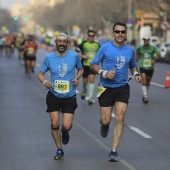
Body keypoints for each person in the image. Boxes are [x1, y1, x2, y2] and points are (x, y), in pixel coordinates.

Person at [90, 22, 142, 162]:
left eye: (122, 32)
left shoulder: (130, 50)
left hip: (122, 87)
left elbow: (132, 66)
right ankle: (104, 124)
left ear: (125, 34)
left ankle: (114, 151)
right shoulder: (105, 48)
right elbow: (93, 64)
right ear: (113, 33)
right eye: (117, 31)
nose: (120, 34)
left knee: (120, 117)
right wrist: (104, 72)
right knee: (106, 120)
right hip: (106, 87)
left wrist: (136, 74)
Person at [37, 32, 83, 160]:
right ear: (56, 43)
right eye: (59, 41)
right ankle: (59, 149)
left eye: (64, 41)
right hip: (54, 95)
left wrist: (77, 78)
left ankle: (65, 131)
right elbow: (40, 74)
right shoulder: (49, 58)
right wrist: (45, 82)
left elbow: (81, 69)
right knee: (55, 123)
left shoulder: (74, 56)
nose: (62, 43)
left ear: (67, 43)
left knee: (66, 126)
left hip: (69, 96)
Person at [77, 29, 100, 105]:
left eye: (92, 36)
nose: (91, 37)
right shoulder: (83, 44)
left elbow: (101, 53)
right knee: (84, 81)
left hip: (93, 66)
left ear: (94, 36)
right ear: (87, 36)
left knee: (92, 79)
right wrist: (82, 55)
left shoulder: (97, 45)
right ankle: (84, 90)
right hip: (85, 65)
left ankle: (90, 98)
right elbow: (77, 51)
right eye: (89, 36)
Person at [136, 35, 160, 104]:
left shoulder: (153, 47)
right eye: (144, 40)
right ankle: (145, 96)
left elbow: (158, 54)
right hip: (142, 66)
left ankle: (145, 93)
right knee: (144, 79)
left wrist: (155, 59)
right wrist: (137, 59)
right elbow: (137, 53)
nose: (145, 41)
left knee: (148, 82)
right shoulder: (140, 48)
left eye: (146, 40)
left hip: (150, 67)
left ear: (149, 40)